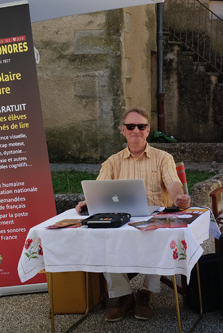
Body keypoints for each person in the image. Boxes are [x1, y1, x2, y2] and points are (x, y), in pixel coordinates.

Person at [75, 107, 190, 322]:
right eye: (131, 126)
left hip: (153, 220)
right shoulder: (112, 162)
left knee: (162, 237)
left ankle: (145, 293)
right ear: (123, 131)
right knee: (100, 240)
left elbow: (173, 183)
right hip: (122, 221)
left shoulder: (163, 158)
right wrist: (88, 201)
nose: (136, 130)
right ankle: (124, 296)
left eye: (141, 126)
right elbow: (99, 188)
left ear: (148, 131)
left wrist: (178, 198)